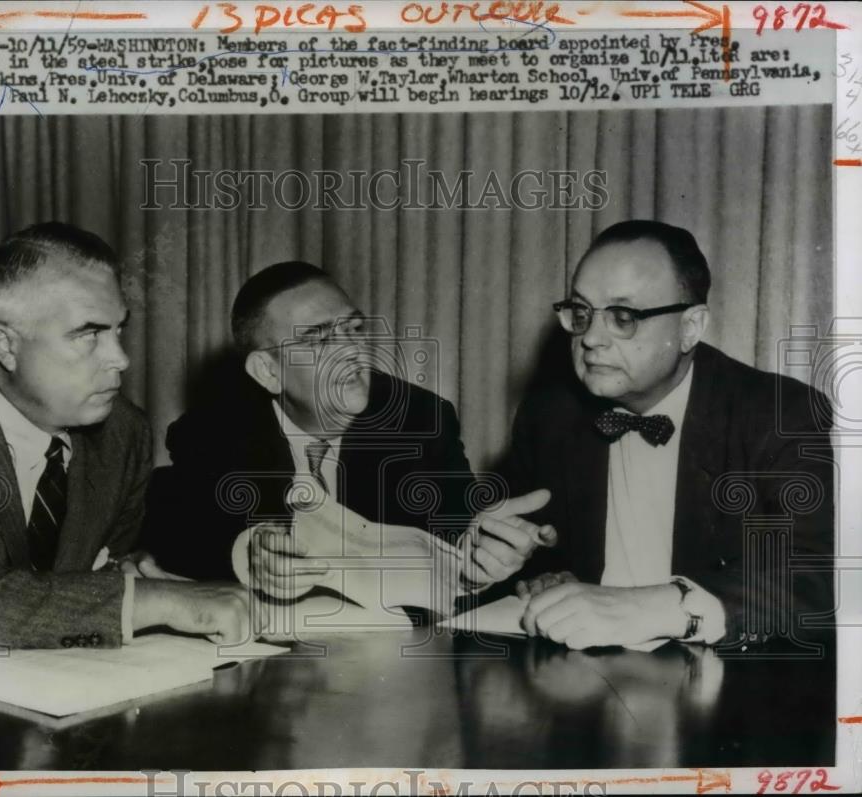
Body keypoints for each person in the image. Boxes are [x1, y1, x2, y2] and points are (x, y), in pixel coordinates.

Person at [0, 222, 259, 655]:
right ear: (6, 346)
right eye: (88, 334)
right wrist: (143, 601)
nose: (119, 359)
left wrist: (126, 571)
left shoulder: (123, 434)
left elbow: (88, 575)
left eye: (118, 330)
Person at [506, 220, 834, 651]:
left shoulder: (777, 414)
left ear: (690, 327)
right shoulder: (549, 415)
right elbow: (543, 556)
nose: (591, 339)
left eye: (623, 317)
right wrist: (512, 569)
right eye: (582, 312)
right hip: (584, 683)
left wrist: (663, 608)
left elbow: (818, 576)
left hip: (728, 692)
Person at [145, 261, 553, 599]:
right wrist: (247, 554)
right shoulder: (214, 431)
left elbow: (452, 535)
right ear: (268, 371)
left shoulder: (417, 420)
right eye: (319, 341)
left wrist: (479, 559)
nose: (351, 351)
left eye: (354, 330)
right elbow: (182, 530)